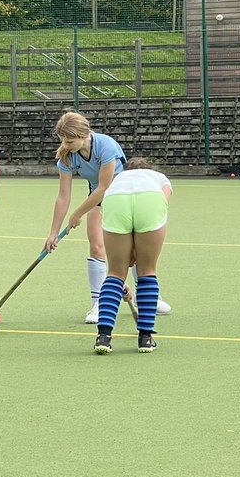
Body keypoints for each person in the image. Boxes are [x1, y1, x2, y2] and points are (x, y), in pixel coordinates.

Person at [43, 109, 171, 322]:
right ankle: (98, 304)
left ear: (84, 135)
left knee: (135, 250)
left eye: (70, 141)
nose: (65, 145)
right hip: (98, 199)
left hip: (124, 196)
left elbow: (104, 187)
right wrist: (53, 233)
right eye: (63, 140)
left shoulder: (106, 145)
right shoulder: (66, 157)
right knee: (96, 246)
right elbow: (63, 196)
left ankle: (147, 298)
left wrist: (77, 214)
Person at [71, 157, 172, 354]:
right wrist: (136, 251)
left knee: (115, 273)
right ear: (148, 168)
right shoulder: (159, 178)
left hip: (116, 199)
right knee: (147, 270)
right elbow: (163, 203)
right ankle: (145, 338)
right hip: (150, 200)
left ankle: (103, 337)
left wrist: (126, 256)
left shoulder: (118, 179)